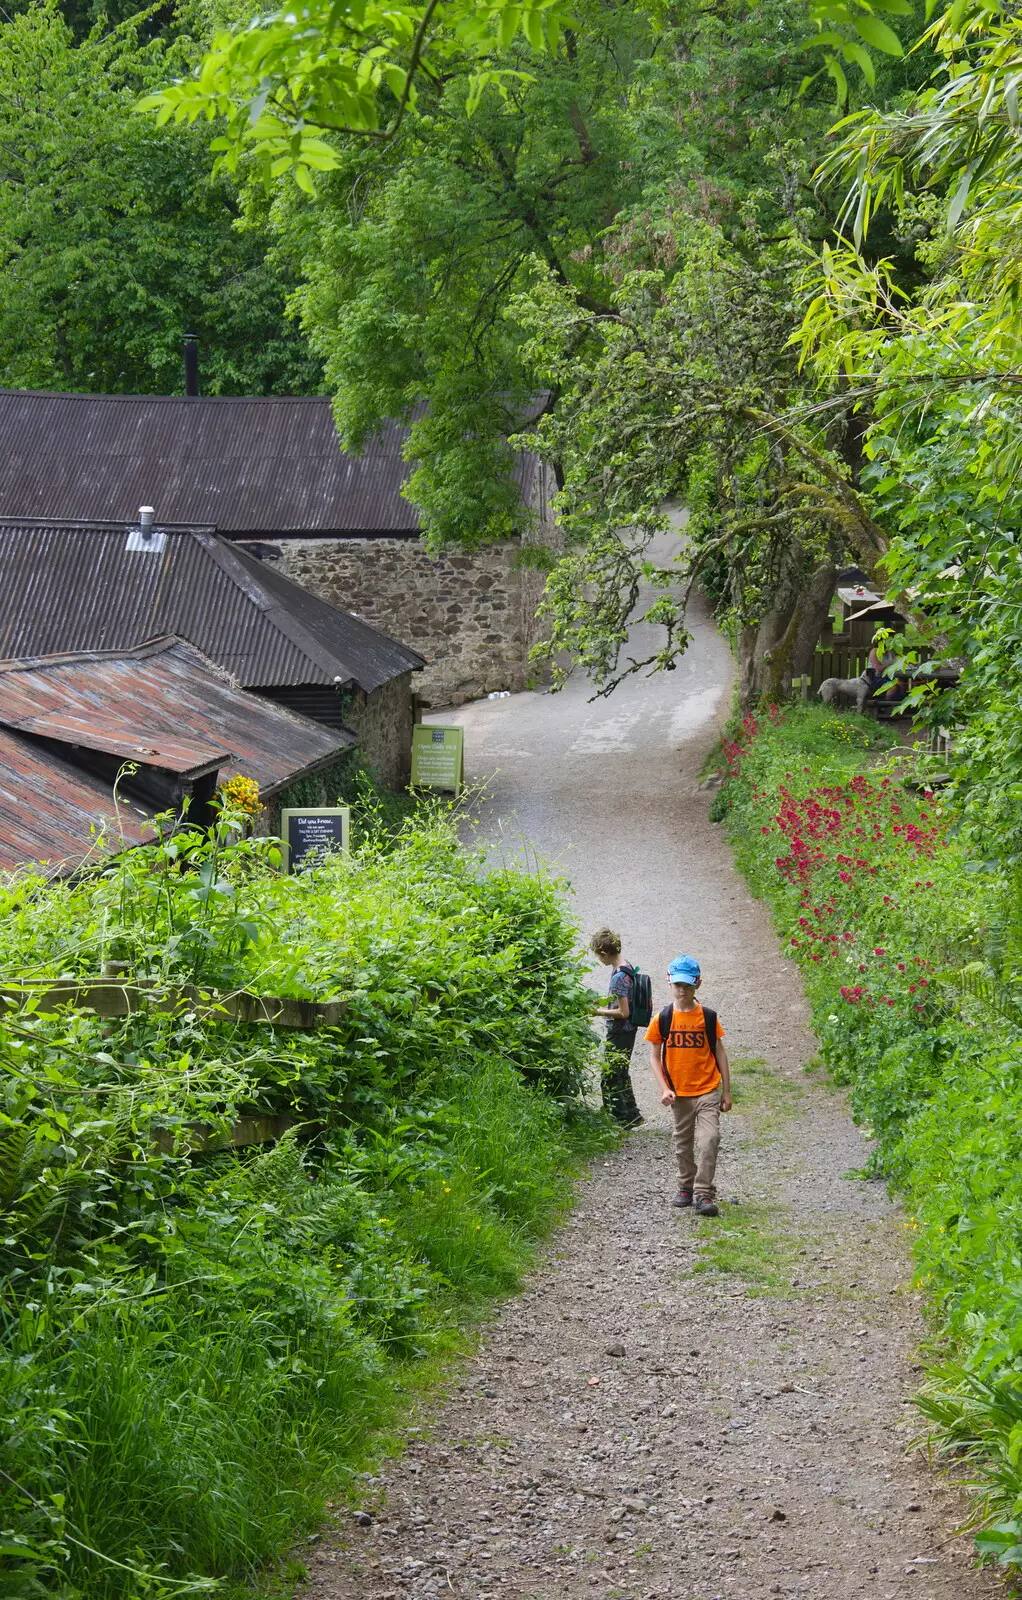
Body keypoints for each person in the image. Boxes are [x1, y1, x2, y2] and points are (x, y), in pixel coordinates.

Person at [646, 954, 732, 1217]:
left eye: (688, 986)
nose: (682, 991)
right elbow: (654, 1055)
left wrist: (726, 1090)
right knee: (683, 1143)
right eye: (678, 985)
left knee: (710, 1139)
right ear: (670, 984)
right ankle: (685, 1187)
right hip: (679, 1094)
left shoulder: (707, 1017)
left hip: (707, 1089)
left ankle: (704, 1192)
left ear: (698, 985)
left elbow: (719, 1052)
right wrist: (664, 1088)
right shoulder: (663, 1018)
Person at [589, 927, 644, 1128]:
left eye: (598, 956)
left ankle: (618, 1120)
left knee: (609, 1076)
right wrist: (603, 1004)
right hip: (629, 1030)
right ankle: (632, 1115)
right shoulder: (626, 966)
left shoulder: (618, 977)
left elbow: (623, 1012)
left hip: (620, 1030)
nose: (599, 960)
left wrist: (598, 1012)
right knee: (621, 1072)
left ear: (604, 953)